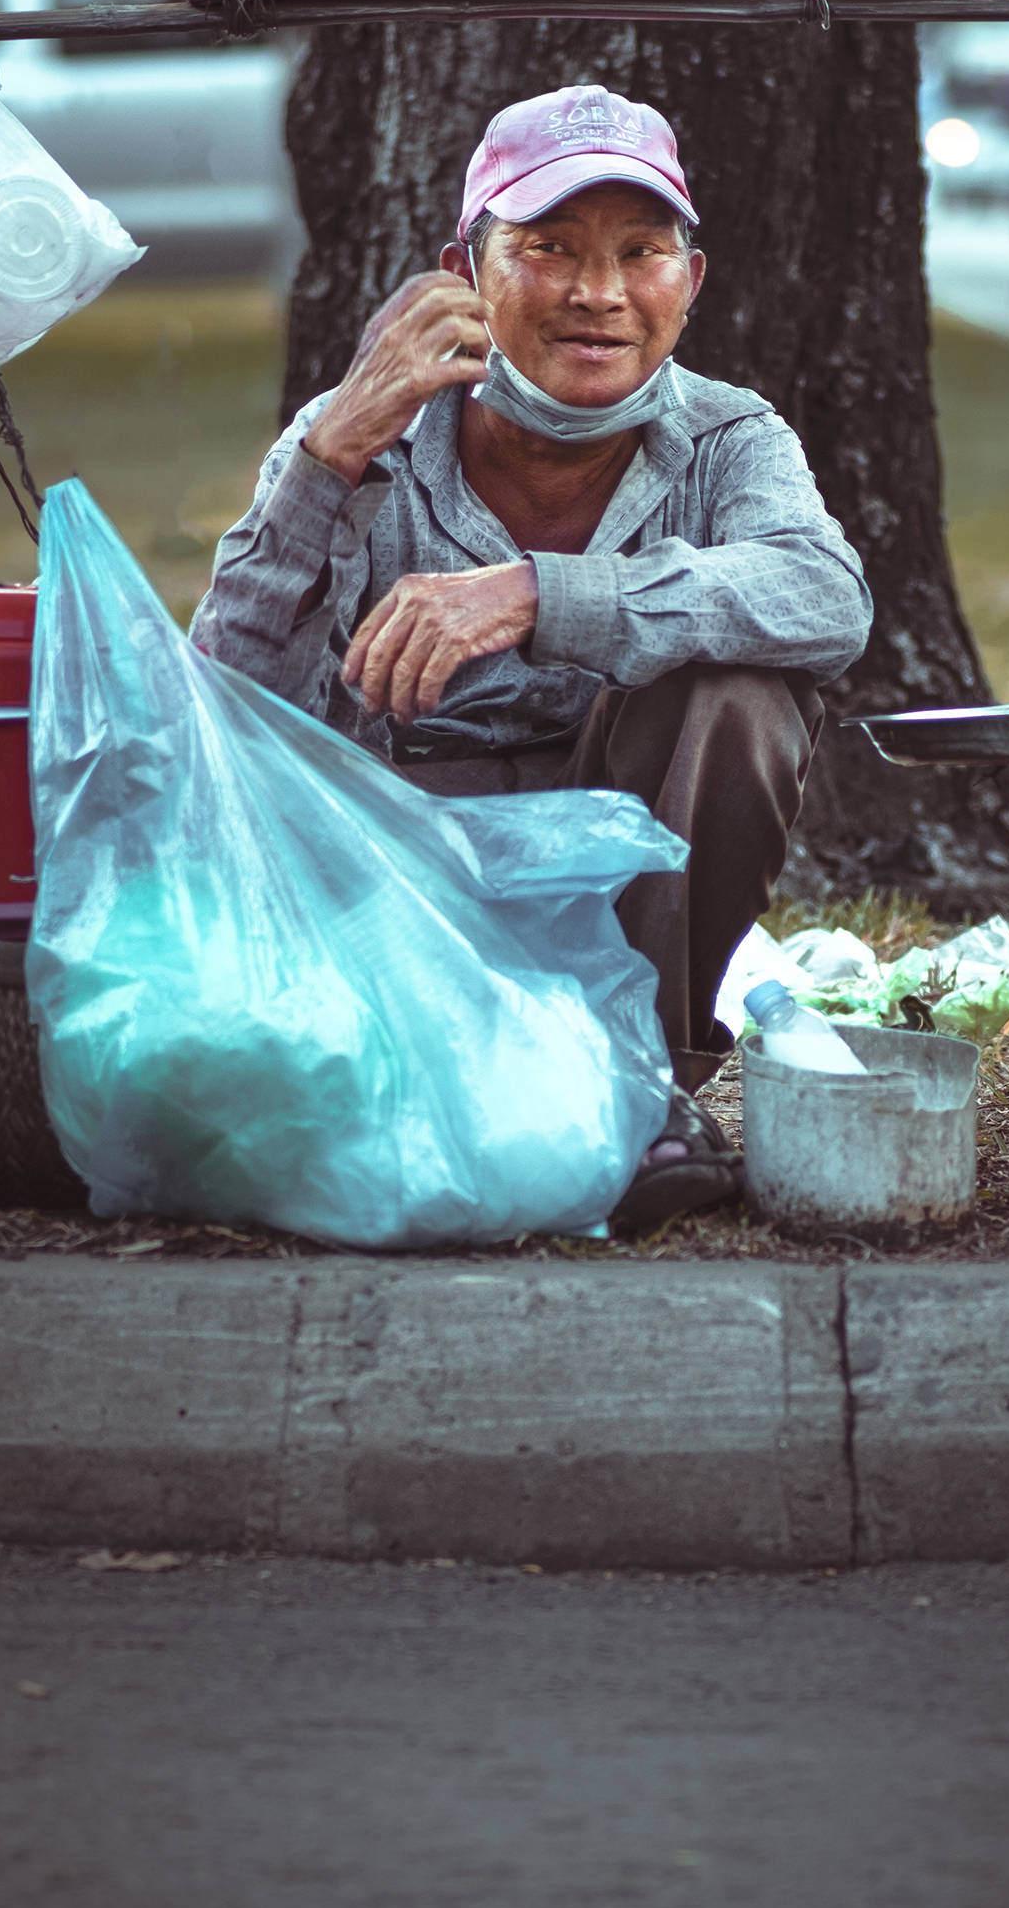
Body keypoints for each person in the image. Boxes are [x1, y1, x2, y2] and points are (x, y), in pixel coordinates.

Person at [191, 83, 872, 1221]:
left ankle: (640, 1087)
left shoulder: (728, 438)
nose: (597, 295)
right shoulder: (359, 433)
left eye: (640, 251)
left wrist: (537, 595)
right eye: (547, 248)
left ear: (688, 282)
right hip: (400, 899)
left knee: (748, 690)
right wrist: (325, 464)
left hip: (625, 903)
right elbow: (220, 706)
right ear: (468, 268)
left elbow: (824, 596)